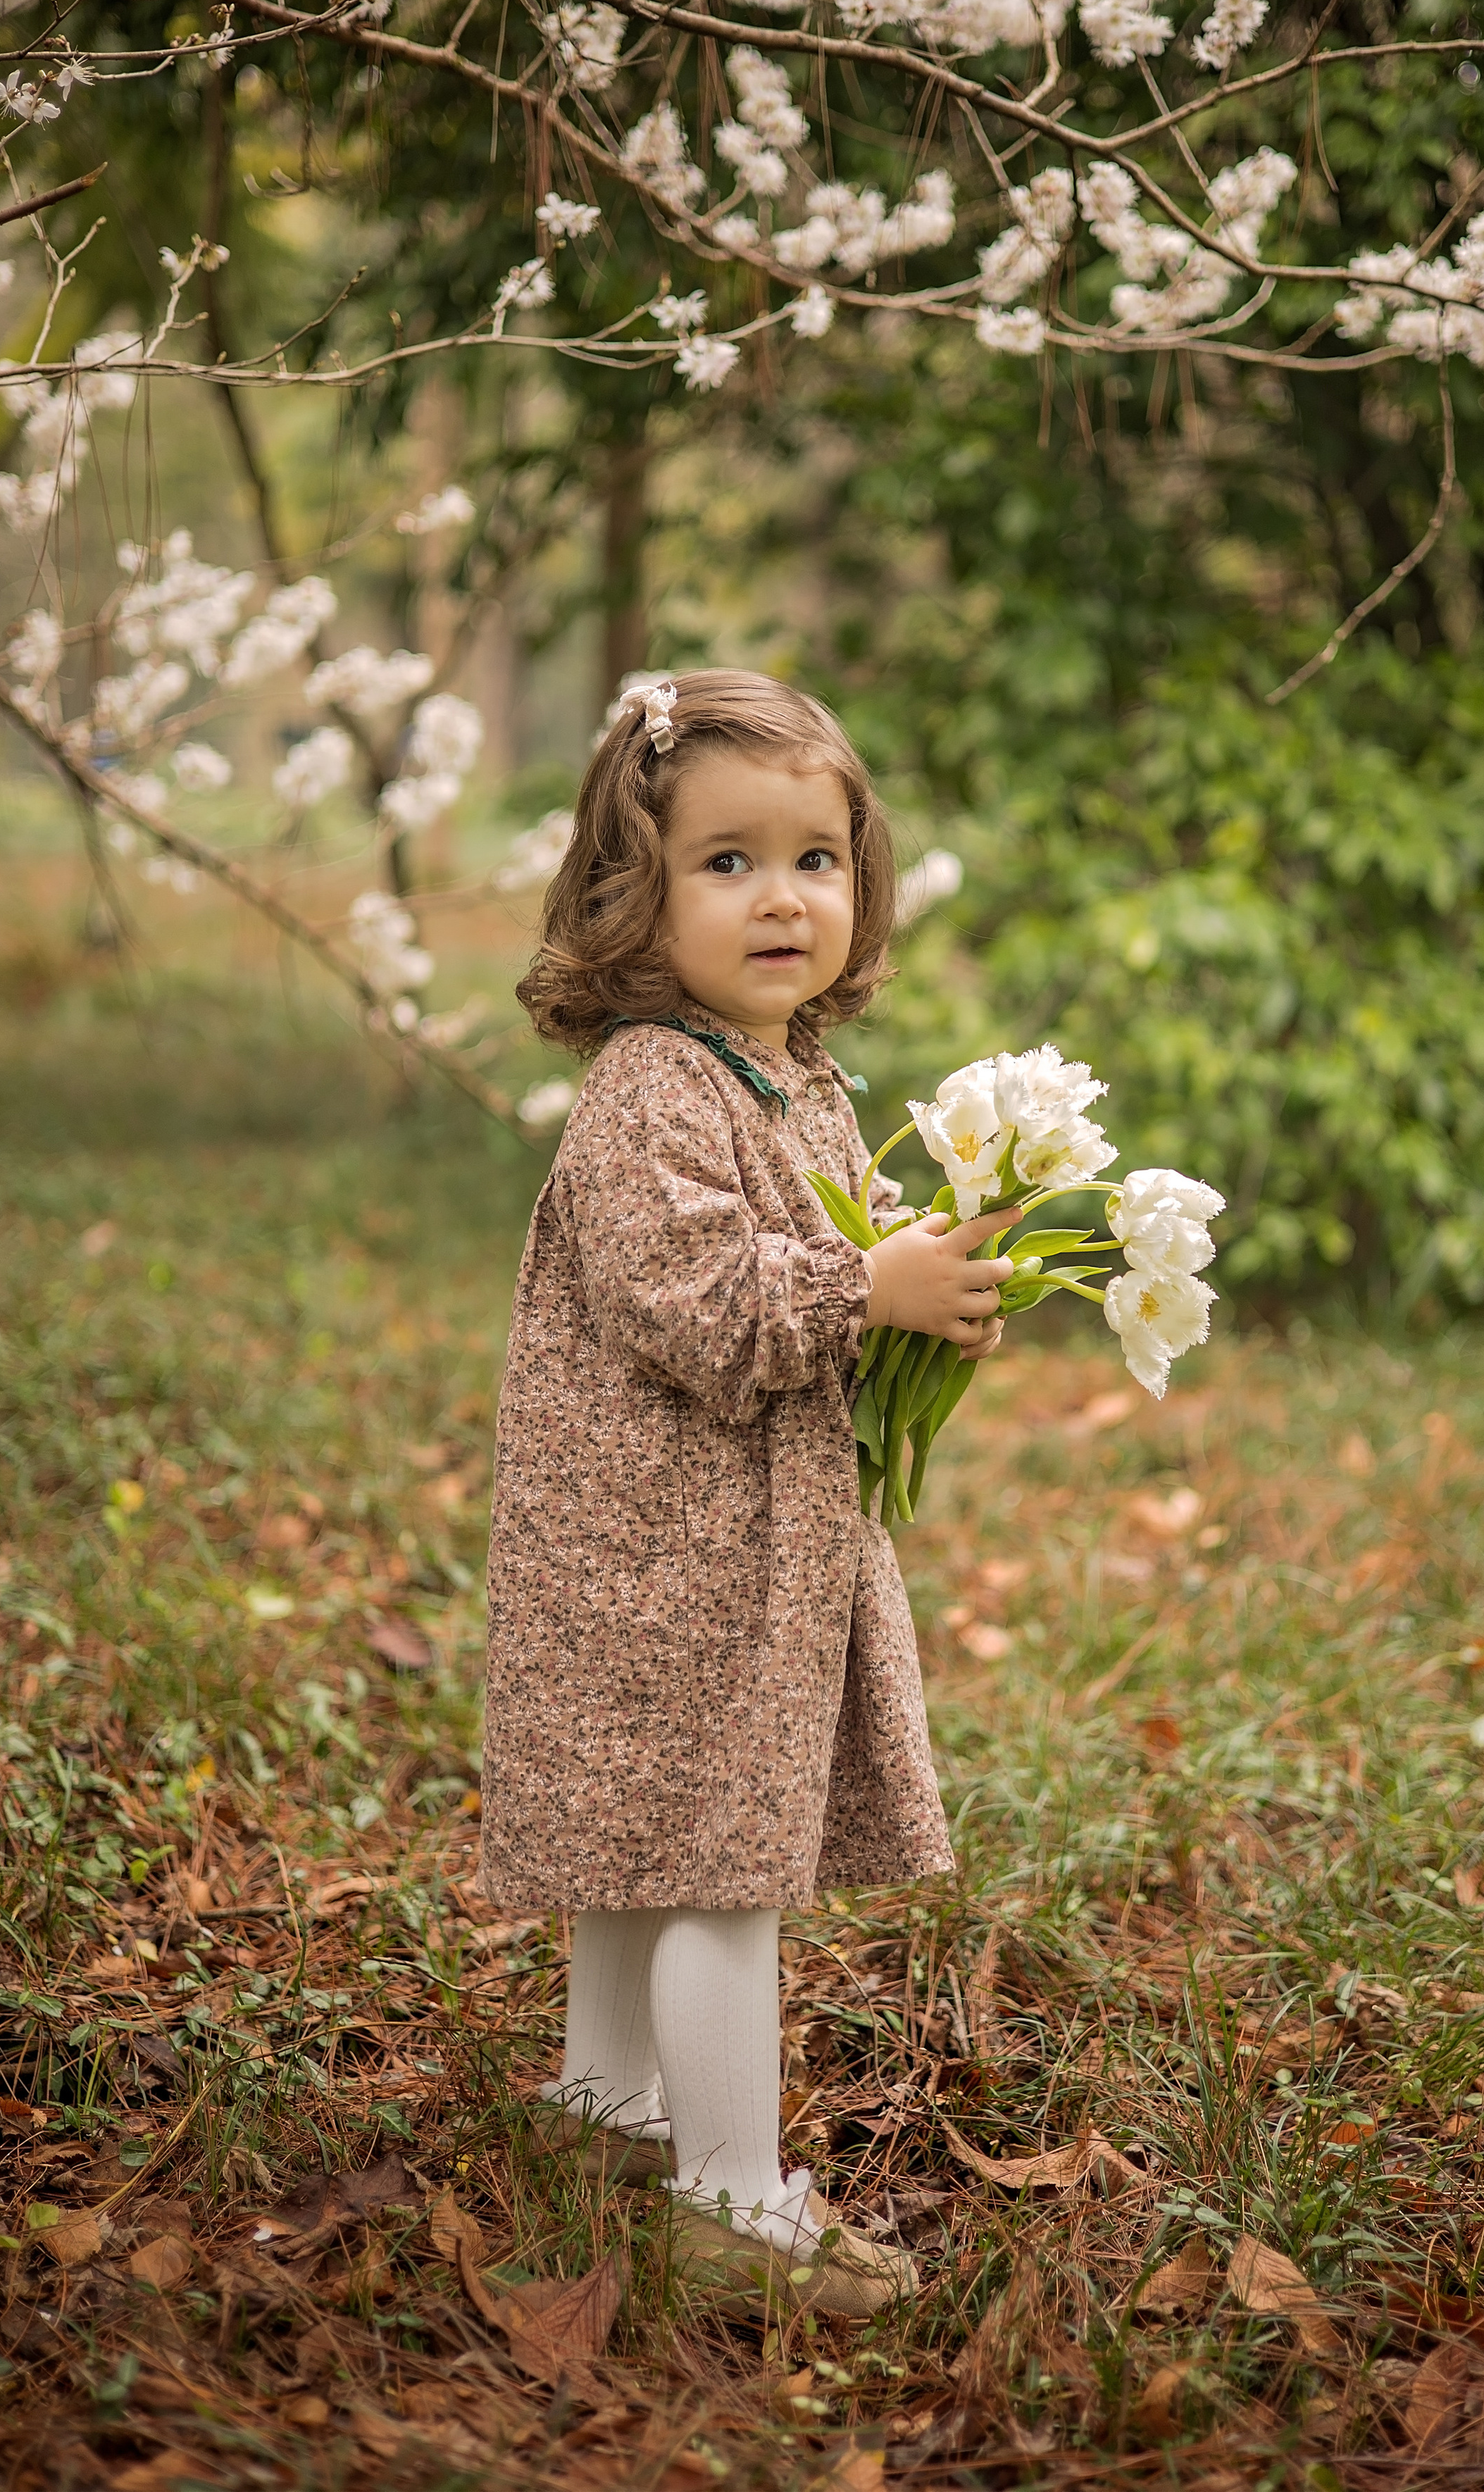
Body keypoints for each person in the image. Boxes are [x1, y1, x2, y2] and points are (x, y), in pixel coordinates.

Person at [481, 668, 1011, 2319]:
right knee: (713, 1861)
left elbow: (826, 1252)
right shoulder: (653, 1081)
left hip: (732, 1542)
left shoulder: (790, 1075)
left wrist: (918, 1285)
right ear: (631, 895)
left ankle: (603, 2103)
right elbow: (694, 1298)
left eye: (814, 859)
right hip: (666, 1552)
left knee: (651, 1838)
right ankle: (724, 2200)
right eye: (725, 862)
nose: (781, 898)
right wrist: (869, 1292)